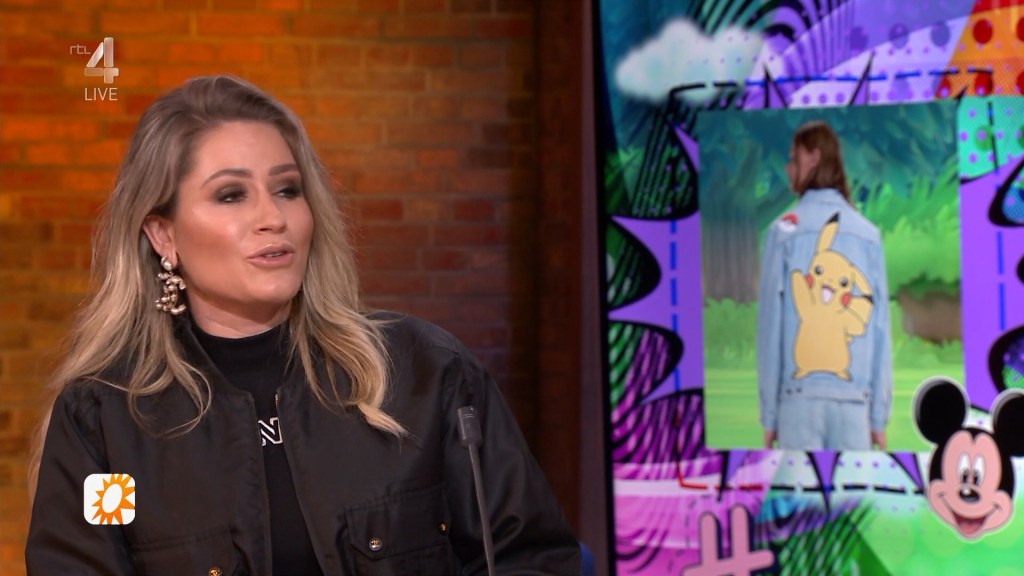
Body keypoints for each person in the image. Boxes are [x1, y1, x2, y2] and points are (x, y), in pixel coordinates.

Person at [25, 75, 580, 575]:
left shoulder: (426, 375)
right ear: (163, 236)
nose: (273, 218)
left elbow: (530, 559)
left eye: (287, 189)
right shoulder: (106, 424)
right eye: (231, 195)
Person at [756, 120, 892, 452]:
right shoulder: (868, 235)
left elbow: (770, 330)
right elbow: (879, 330)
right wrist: (878, 418)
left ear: (814, 158)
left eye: (794, 158)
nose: (788, 168)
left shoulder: (781, 232)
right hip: (854, 406)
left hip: (797, 404)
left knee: (798, 489)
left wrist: (770, 416)